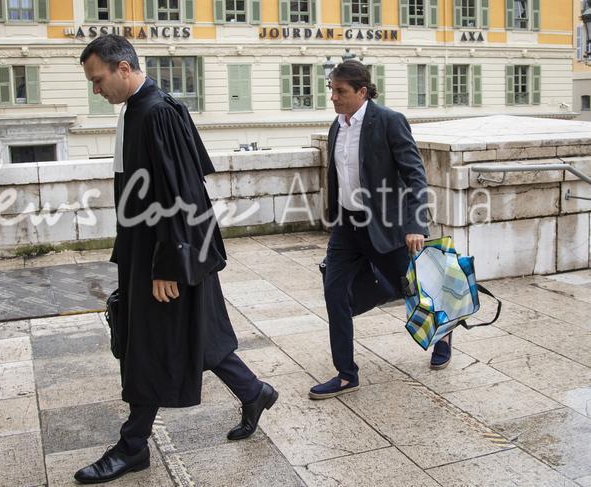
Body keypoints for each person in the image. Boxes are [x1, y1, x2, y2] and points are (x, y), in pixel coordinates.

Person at [76, 35, 278, 484]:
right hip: (158, 248)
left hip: (167, 255)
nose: (96, 90)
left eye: (98, 79)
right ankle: (254, 392)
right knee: (197, 333)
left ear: (123, 68)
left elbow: (184, 194)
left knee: (147, 348)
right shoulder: (140, 109)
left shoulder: (156, 112)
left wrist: (167, 266)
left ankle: (132, 448)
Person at [309, 60, 449, 401]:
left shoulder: (388, 121)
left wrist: (416, 224)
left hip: (386, 226)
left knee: (413, 288)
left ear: (361, 91)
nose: (333, 97)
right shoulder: (337, 126)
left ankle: (443, 334)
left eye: (340, 91)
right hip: (347, 225)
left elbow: (415, 174)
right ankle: (346, 375)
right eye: (332, 90)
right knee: (334, 293)